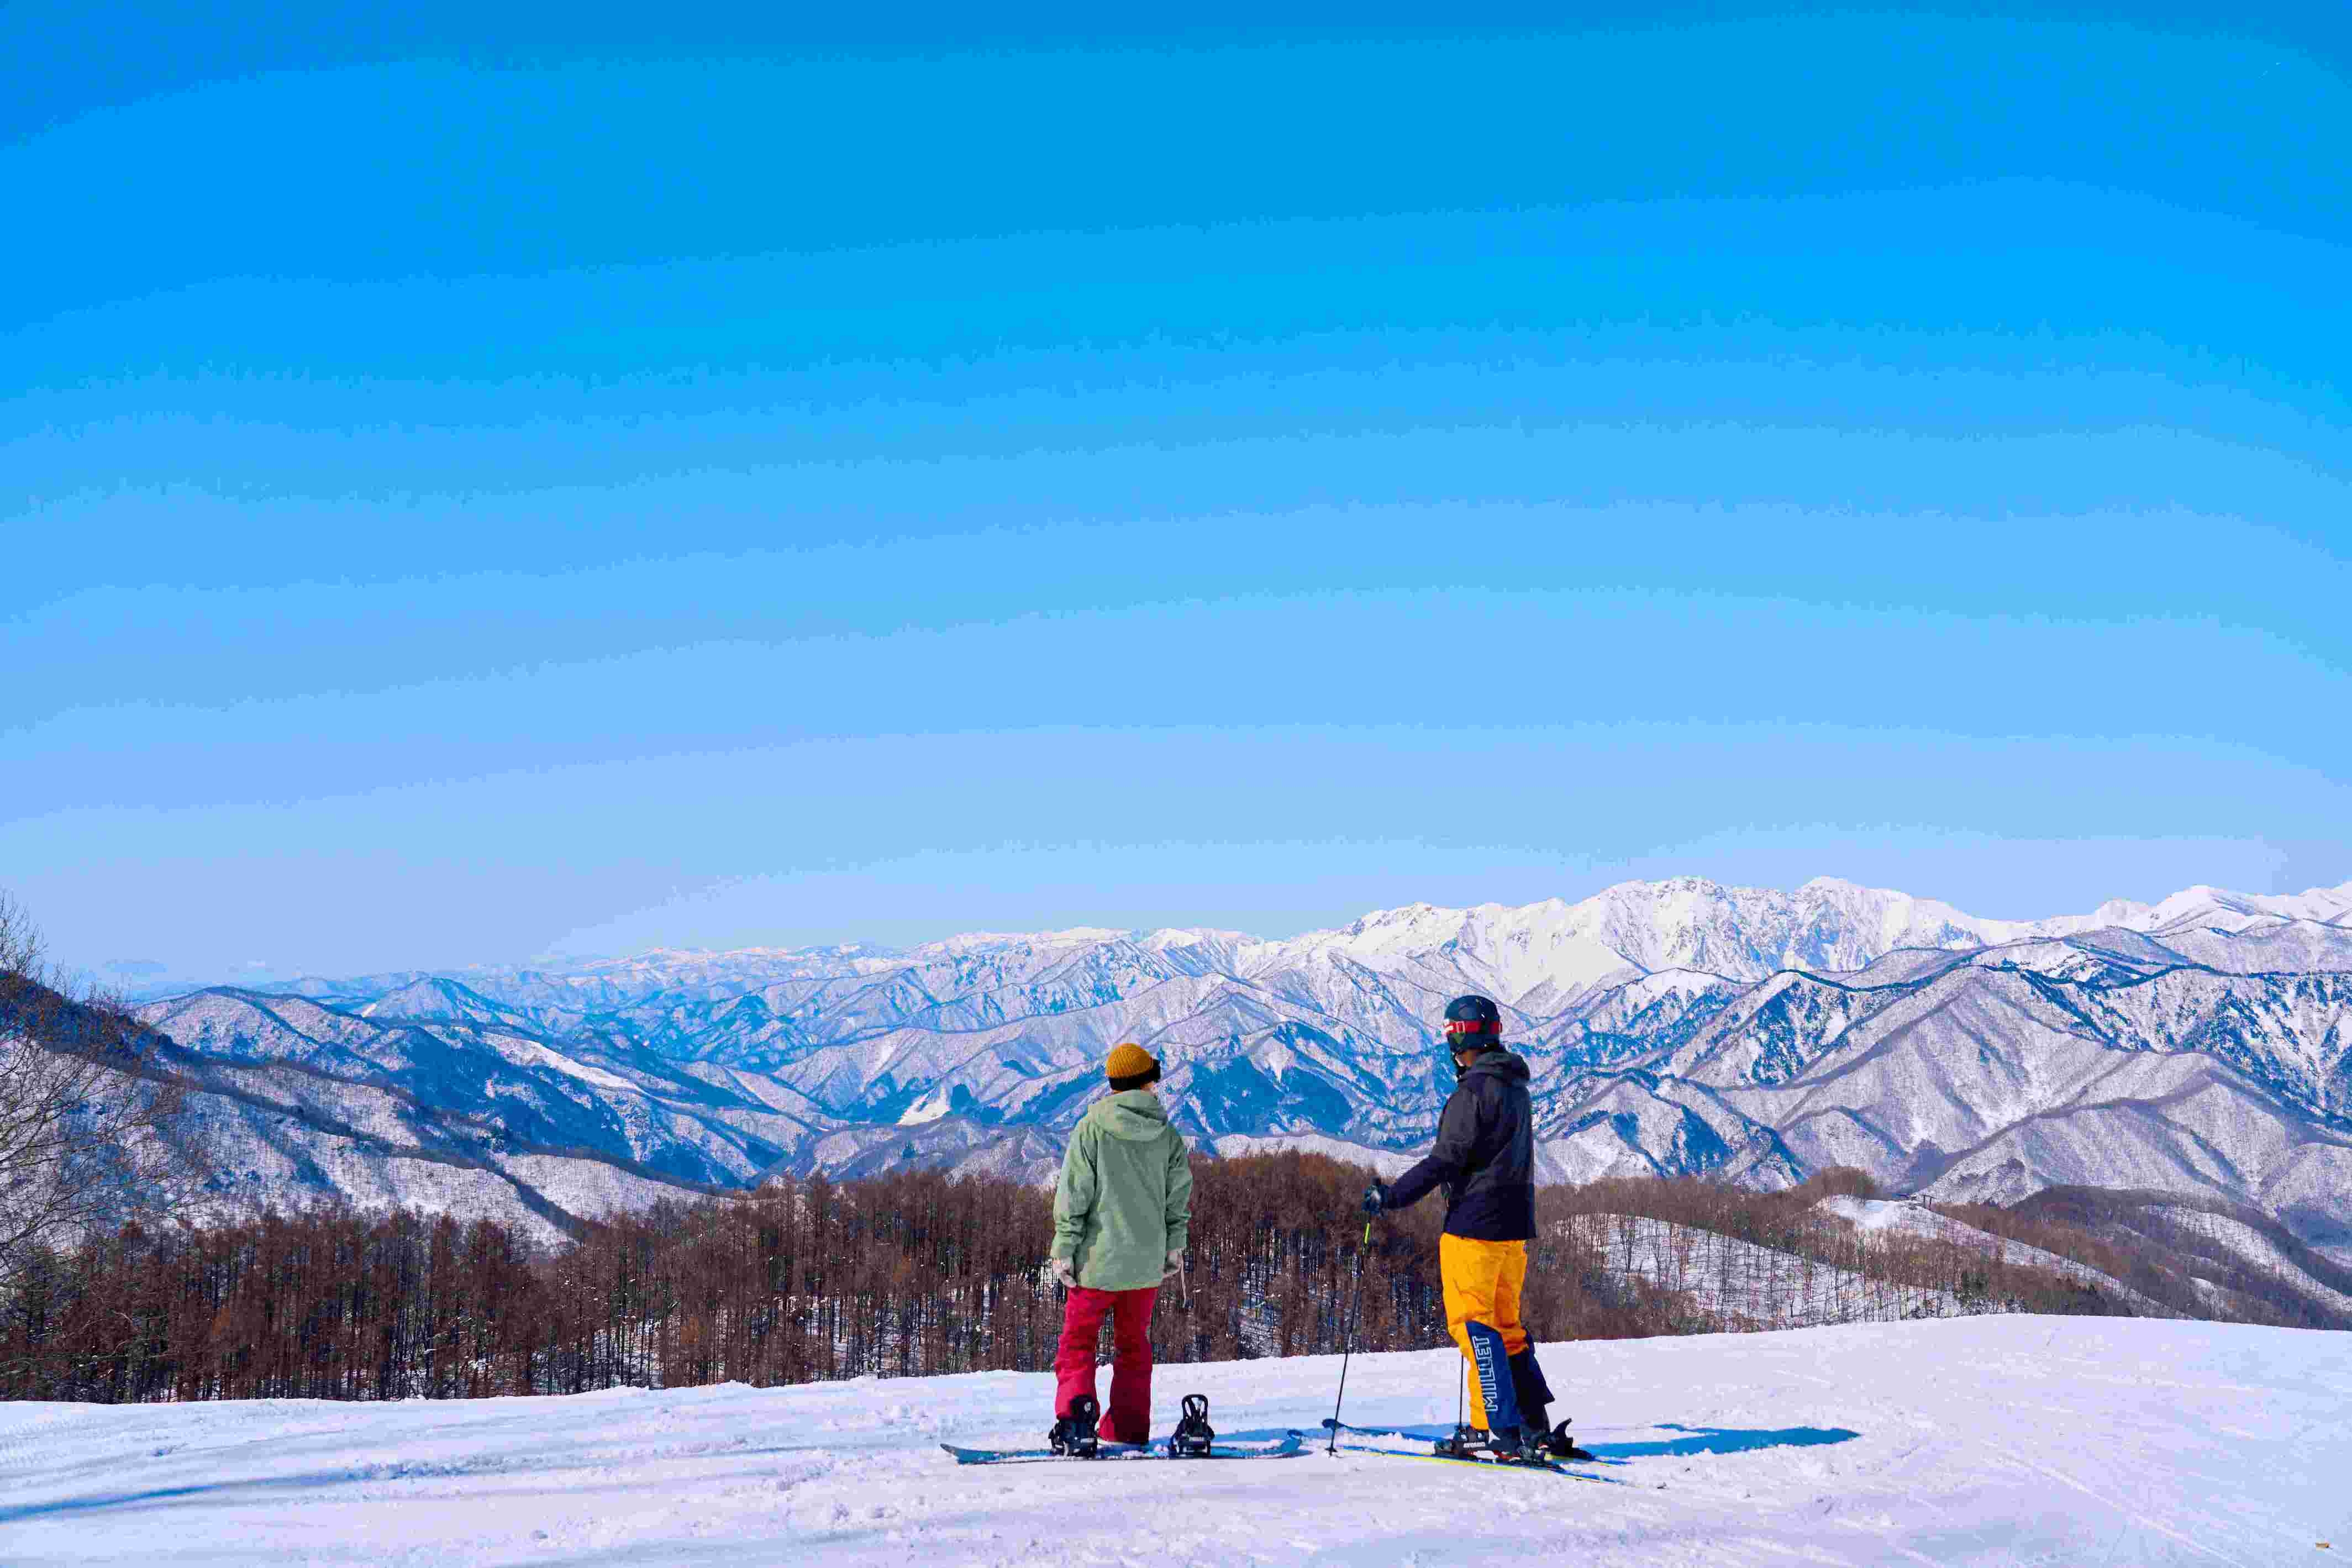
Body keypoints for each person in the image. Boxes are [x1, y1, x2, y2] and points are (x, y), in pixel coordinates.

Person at [1362, 993, 1576, 1459]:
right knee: (1506, 1326)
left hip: (1473, 1224)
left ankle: (1495, 1430)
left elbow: (1446, 1159)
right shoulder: (1516, 1086)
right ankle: (1532, 1426)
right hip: (1515, 1225)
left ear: (1458, 1041)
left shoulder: (1472, 1092)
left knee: (1474, 1326)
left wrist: (1390, 1196)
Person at [1048, 1041, 1193, 1450]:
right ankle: (1127, 1430)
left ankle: (1078, 1423)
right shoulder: (1165, 1133)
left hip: (1096, 1263)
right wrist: (1173, 1245)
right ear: (1149, 1081)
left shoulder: (1091, 1128)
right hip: (1145, 1265)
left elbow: (1074, 1194)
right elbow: (1177, 1197)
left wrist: (1064, 1247)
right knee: (1134, 1349)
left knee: (1078, 1345)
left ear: (1113, 1083)